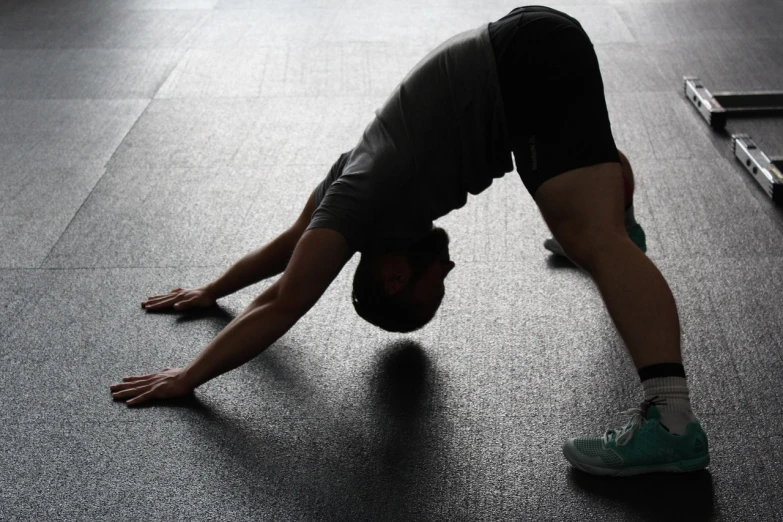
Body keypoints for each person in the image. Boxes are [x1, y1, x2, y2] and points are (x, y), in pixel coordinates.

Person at [110, 6, 710, 477]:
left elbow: (283, 299)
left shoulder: (362, 201)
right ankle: (619, 227)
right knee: (583, 211)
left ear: (394, 275)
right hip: (526, 45)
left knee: (593, 240)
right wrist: (212, 291)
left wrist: (189, 376)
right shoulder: (353, 186)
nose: (448, 267)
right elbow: (288, 244)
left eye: (436, 283)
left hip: (522, 66)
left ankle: (672, 422)